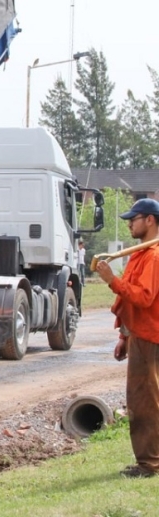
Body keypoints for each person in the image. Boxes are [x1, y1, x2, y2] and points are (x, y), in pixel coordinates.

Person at [94, 198, 159, 478]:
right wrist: (123, 334)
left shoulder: (154, 257)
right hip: (138, 335)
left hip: (149, 337)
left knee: (144, 400)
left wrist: (111, 280)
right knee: (144, 398)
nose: (129, 223)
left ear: (150, 220)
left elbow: (143, 297)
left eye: (134, 218)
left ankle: (150, 464)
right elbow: (128, 301)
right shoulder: (140, 254)